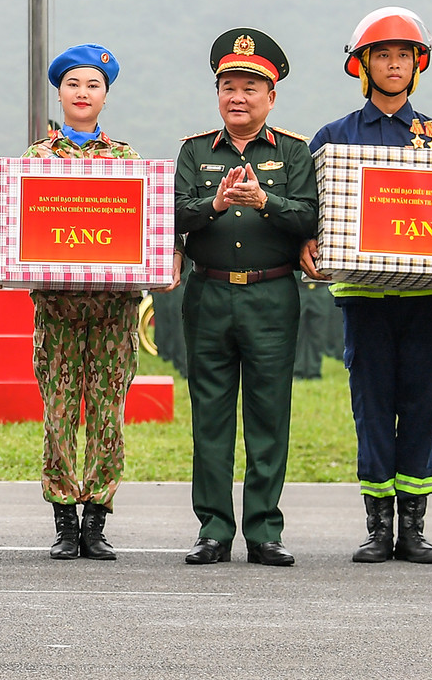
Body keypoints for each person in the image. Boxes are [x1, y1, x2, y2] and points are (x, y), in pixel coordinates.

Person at [302, 8, 432, 565]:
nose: (393, 64)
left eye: (404, 55)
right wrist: (308, 245)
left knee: (422, 405)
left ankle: (414, 528)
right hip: (364, 300)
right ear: (363, 65)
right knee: (371, 406)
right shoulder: (333, 138)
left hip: (428, 300)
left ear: (417, 65)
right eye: (382, 55)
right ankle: (377, 526)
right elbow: (310, 215)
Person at [175, 29, 317, 567]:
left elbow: (309, 215)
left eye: (250, 87)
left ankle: (263, 529)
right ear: (218, 93)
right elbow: (173, 211)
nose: (238, 96)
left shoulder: (293, 152)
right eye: (229, 86)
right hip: (208, 293)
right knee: (209, 414)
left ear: (271, 96)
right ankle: (213, 528)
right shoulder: (193, 150)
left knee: (268, 414)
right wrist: (212, 204)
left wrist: (266, 200)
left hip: (271, 294)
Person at [25, 44, 143, 562]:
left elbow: (145, 229)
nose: (82, 93)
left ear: (105, 96)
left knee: (107, 415)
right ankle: (63, 521)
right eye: (73, 84)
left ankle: (96, 518)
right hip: (57, 312)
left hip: (114, 313)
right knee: (58, 413)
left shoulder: (127, 161)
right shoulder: (36, 160)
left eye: (93, 85)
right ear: (60, 92)